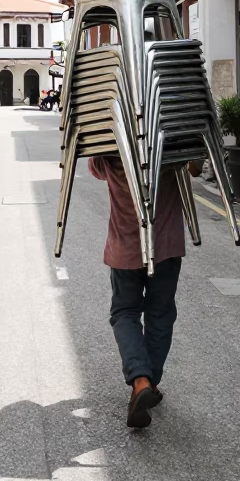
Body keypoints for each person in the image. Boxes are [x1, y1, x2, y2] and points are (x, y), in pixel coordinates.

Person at [88, 155, 201, 429]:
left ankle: (141, 380)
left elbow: (95, 168)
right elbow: (195, 167)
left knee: (125, 312)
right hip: (166, 246)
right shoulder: (170, 142)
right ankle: (147, 382)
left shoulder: (112, 145)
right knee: (160, 313)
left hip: (125, 247)